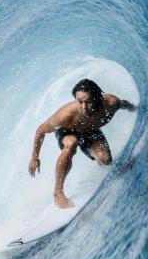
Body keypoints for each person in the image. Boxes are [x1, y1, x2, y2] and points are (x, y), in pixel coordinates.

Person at [28, 78, 137, 208]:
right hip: (68, 130)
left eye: (88, 101)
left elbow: (123, 104)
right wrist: (35, 157)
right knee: (71, 143)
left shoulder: (111, 103)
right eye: (79, 101)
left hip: (90, 131)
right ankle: (58, 192)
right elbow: (40, 130)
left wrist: (135, 108)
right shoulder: (65, 115)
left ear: (97, 98)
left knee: (105, 159)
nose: (83, 106)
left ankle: (105, 171)